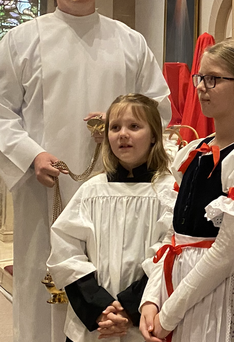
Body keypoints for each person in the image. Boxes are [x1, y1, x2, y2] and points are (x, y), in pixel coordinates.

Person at [0, 0, 171, 342]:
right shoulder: (22, 40)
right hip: (45, 187)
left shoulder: (130, 42)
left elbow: (159, 108)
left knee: (113, 278)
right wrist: (32, 155)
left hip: (120, 196)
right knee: (39, 289)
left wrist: (122, 122)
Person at [139, 39, 234, 342]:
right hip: (177, 289)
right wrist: (151, 300)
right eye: (200, 77)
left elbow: (225, 254)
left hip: (219, 295)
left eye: (213, 79)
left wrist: (170, 313)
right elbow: (171, 238)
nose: (201, 86)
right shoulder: (192, 151)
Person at [48, 94, 173, 342]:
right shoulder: (92, 190)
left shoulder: (169, 192)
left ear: (154, 136)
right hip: (96, 323)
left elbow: (171, 254)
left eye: (134, 126)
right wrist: (100, 309)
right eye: (115, 127)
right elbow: (66, 251)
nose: (122, 134)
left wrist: (129, 307)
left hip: (145, 315)